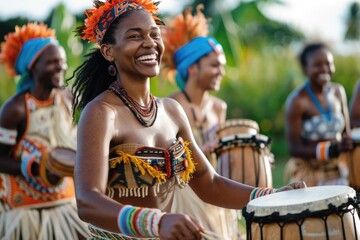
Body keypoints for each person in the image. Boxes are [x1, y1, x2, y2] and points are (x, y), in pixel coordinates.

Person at [71, 1, 306, 239]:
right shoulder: (101, 113)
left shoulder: (172, 111)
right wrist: (157, 222)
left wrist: (270, 196)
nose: (150, 43)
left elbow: (209, 183)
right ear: (109, 51)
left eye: (155, 34)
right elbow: (88, 201)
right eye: (135, 36)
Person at [0, 22, 89, 239]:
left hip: (66, 204)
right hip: (24, 213)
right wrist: (35, 168)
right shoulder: (16, 109)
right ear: (33, 67)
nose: (61, 67)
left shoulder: (69, 99)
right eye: (52, 62)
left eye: (62, 61)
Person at [161, 5, 241, 239]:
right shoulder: (171, 106)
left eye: (222, 66)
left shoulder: (219, 107)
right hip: (184, 194)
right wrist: (195, 153)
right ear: (193, 68)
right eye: (215, 65)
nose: (221, 72)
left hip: (214, 187)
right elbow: (163, 157)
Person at [285, 42, 353, 187]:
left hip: (337, 171)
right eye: (317, 65)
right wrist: (329, 150)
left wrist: (348, 142)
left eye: (328, 64)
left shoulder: (338, 92)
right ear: (305, 68)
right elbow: (294, 148)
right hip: (309, 175)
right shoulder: (297, 100)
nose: (324, 69)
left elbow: (346, 133)